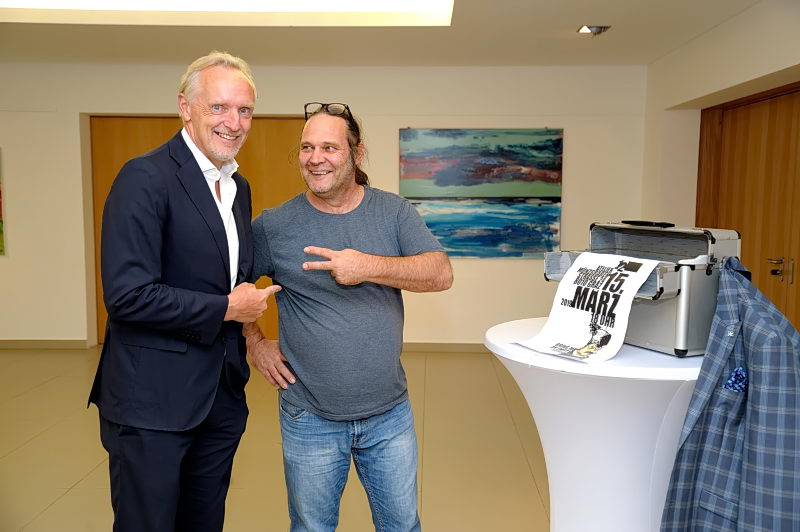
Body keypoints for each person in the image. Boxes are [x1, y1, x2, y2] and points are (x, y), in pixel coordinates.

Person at [88, 51, 280, 532]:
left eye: (244, 110)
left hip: (219, 398)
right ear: (185, 107)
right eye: (219, 107)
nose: (234, 122)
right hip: (152, 402)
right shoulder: (145, 177)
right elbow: (127, 296)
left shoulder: (238, 188)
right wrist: (227, 308)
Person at [245, 102, 454, 531]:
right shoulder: (273, 225)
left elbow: (439, 273)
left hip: (389, 414)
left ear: (356, 154)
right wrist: (255, 342)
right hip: (309, 415)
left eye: (329, 147)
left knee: (402, 526)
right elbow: (233, 286)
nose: (315, 158)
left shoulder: (393, 212)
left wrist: (366, 266)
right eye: (306, 147)